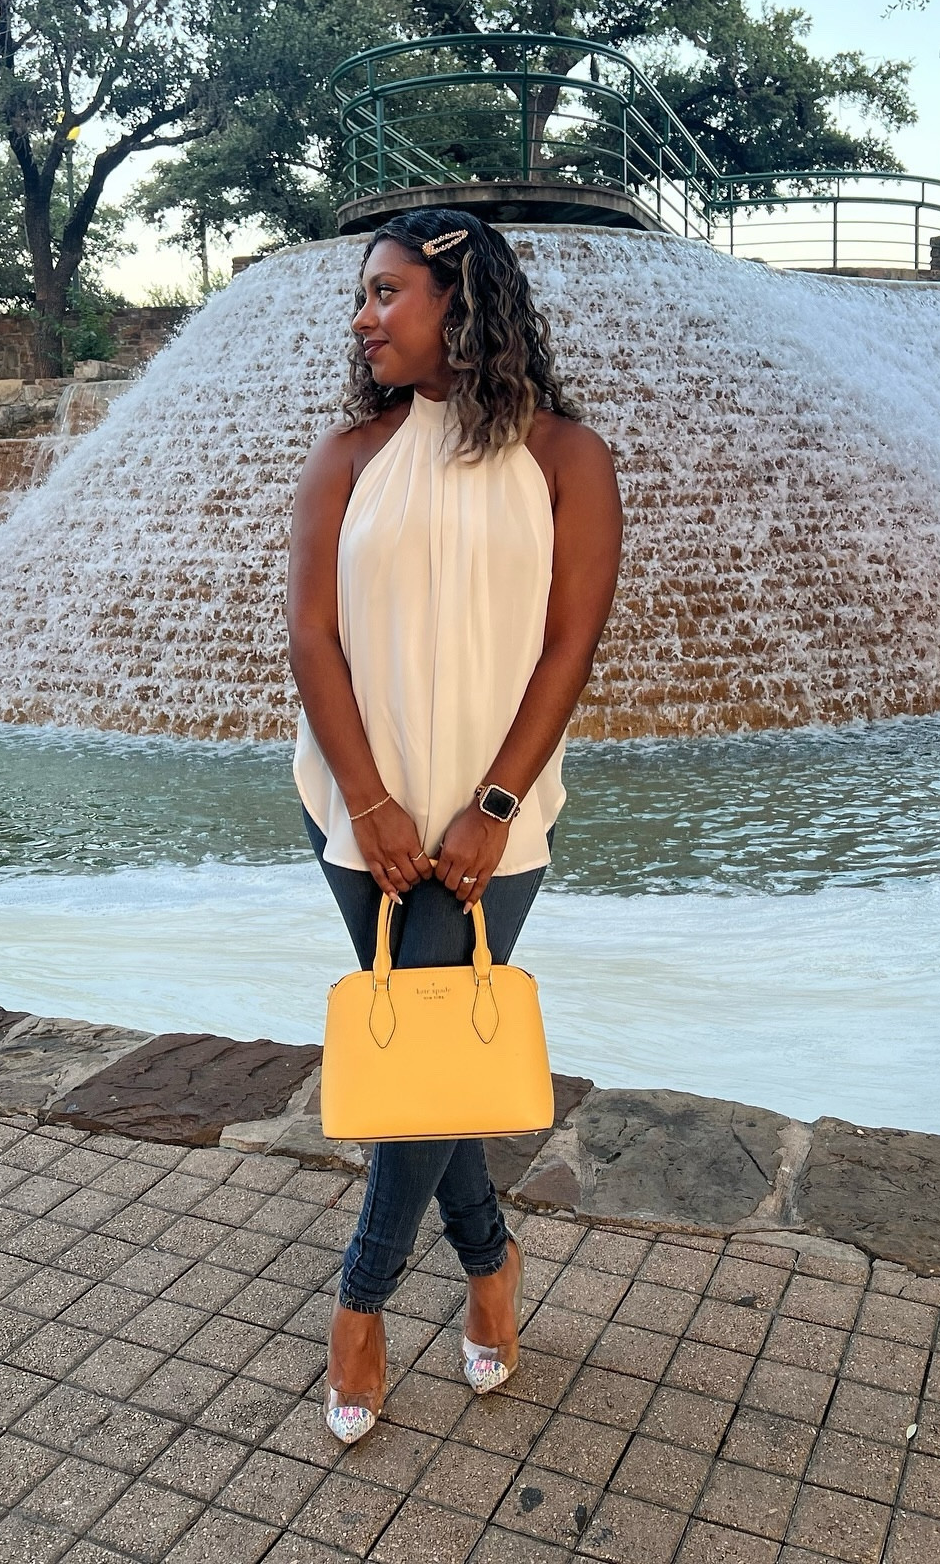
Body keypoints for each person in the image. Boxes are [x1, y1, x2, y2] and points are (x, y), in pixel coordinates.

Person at [287, 208, 623, 1445]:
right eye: (361, 296)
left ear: (462, 297)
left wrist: (490, 805)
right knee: (428, 1065)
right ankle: (490, 1264)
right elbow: (311, 640)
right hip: (356, 811)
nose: (364, 316)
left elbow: (568, 645)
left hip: (494, 820)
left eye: (386, 292)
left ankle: (359, 1308)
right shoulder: (349, 456)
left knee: (421, 1069)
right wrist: (371, 802)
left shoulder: (565, 458)